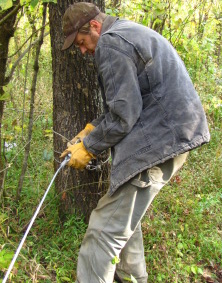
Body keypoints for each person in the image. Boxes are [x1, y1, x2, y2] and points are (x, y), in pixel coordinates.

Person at [60, 2, 210, 283]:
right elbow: (127, 101)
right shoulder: (126, 33)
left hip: (158, 142)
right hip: (168, 135)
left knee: (103, 232)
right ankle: (131, 278)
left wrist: (90, 146)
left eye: (81, 42)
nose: (82, 50)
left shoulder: (110, 44)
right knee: (123, 221)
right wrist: (92, 129)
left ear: (94, 27)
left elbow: (124, 116)